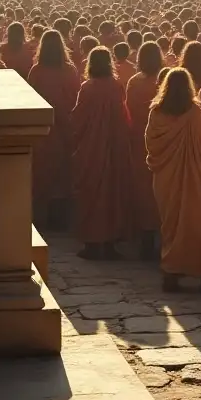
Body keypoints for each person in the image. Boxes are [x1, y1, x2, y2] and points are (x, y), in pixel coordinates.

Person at [145, 68, 201, 293]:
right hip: (193, 177)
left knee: (170, 226)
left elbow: (150, 143)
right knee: (196, 225)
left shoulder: (156, 112)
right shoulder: (194, 112)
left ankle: (171, 273)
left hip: (165, 177)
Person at [71, 46, 133, 259]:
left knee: (92, 190)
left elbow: (78, 118)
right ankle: (109, 241)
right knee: (113, 191)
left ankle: (92, 242)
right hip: (114, 144)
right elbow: (124, 116)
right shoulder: (116, 86)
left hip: (91, 146)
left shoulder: (88, 88)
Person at [27, 29, 81, 230]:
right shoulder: (69, 70)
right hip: (64, 128)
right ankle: (61, 219)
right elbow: (76, 98)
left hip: (43, 128)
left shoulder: (37, 70)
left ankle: (42, 218)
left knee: (43, 171)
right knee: (62, 171)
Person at [126, 41, 165, 259]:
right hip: (161, 141)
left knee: (143, 189)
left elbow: (129, 111)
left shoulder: (134, 82)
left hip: (140, 140)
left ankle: (145, 238)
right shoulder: (164, 80)